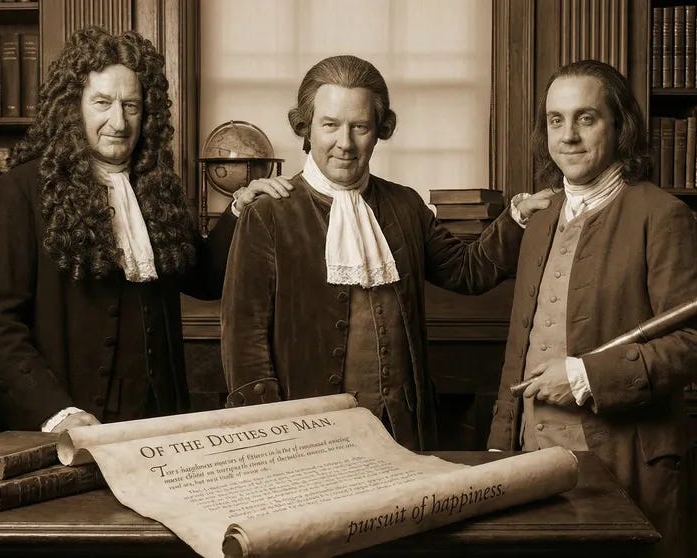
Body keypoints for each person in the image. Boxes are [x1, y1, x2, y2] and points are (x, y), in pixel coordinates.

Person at [220, 54, 554, 451]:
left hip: (404, 431)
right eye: (330, 125)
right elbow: (245, 339)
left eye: (360, 126)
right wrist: (270, 438)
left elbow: (467, 271)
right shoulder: (268, 213)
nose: (345, 143)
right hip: (307, 437)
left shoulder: (404, 205)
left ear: (380, 130)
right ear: (306, 128)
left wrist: (517, 217)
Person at [0, 27, 290, 433]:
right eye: (102, 103)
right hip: (62, 426)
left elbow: (206, 279)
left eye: (131, 106)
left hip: (159, 423)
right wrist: (57, 413)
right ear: (73, 107)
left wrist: (239, 209)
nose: (119, 122)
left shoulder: (157, 189)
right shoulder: (20, 191)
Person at [485, 60, 697, 558]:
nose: (568, 136)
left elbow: (695, 344)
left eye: (585, 118)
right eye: (556, 120)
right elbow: (520, 346)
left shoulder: (664, 215)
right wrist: (500, 442)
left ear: (619, 126)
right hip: (530, 457)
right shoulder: (540, 217)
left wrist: (586, 376)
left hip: (624, 462)